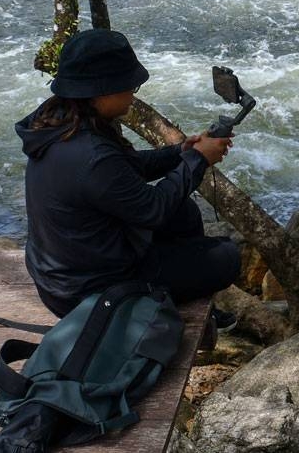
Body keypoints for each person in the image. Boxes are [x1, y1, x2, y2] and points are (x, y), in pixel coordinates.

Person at [15, 29, 241, 326]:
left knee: (183, 212)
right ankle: (158, 303)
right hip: (87, 292)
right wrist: (199, 159)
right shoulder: (92, 155)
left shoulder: (60, 122)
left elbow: (124, 168)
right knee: (227, 257)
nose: (133, 94)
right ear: (101, 90)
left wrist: (181, 152)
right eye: (130, 86)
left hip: (65, 271)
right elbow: (154, 209)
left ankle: (180, 294)